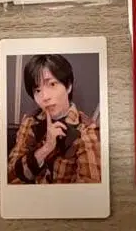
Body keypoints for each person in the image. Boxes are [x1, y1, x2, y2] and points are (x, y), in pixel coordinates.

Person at [7, 54, 101, 184]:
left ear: (68, 86)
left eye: (52, 84)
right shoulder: (30, 122)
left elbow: (89, 187)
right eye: (37, 90)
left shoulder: (87, 131)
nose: (45, 97)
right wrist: (45, 148)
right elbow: (10, 175)